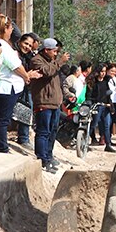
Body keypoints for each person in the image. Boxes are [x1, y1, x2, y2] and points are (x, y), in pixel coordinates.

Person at [0, 15, 27, 154]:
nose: (11, 31)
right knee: (3, 120)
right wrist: (27, 76)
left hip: (3, 86)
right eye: (10, 28)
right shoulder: (2, 44)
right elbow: (15, 65)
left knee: (1, 119)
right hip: (6, 86)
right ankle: (2, 147)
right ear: (5, 28)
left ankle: (1, 145)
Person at [30, 38, 69, 173]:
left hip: (55, 103)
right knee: (43, 131)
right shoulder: (36, 60)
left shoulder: (53, 61)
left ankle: (49, 156)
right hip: (44, 102)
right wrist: (60, 62)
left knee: (52, 131)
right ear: (46, 50)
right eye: (54, 51)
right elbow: (47, 72)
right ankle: (42, 158)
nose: (56, 54)